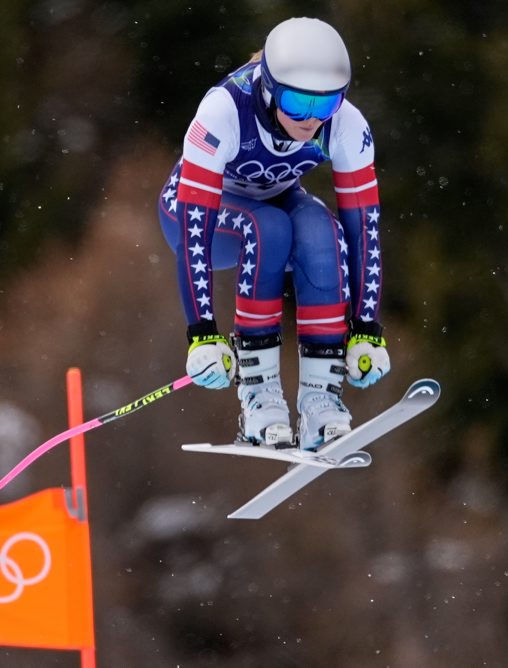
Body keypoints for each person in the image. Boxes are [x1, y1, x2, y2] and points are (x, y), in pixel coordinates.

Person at [157, 17, 390, 450]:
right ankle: (259, 399)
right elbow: (194, 231)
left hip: (275, 201)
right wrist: (202, 333)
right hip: (198, 218)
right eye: (297, 104)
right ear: (268, 89)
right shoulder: (224, 110)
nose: (310, 120)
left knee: (323, 232)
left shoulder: (347, 124)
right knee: (268, 228)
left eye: (324, 106)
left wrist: (367, 328)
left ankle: (321, 400)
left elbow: (365, 230)